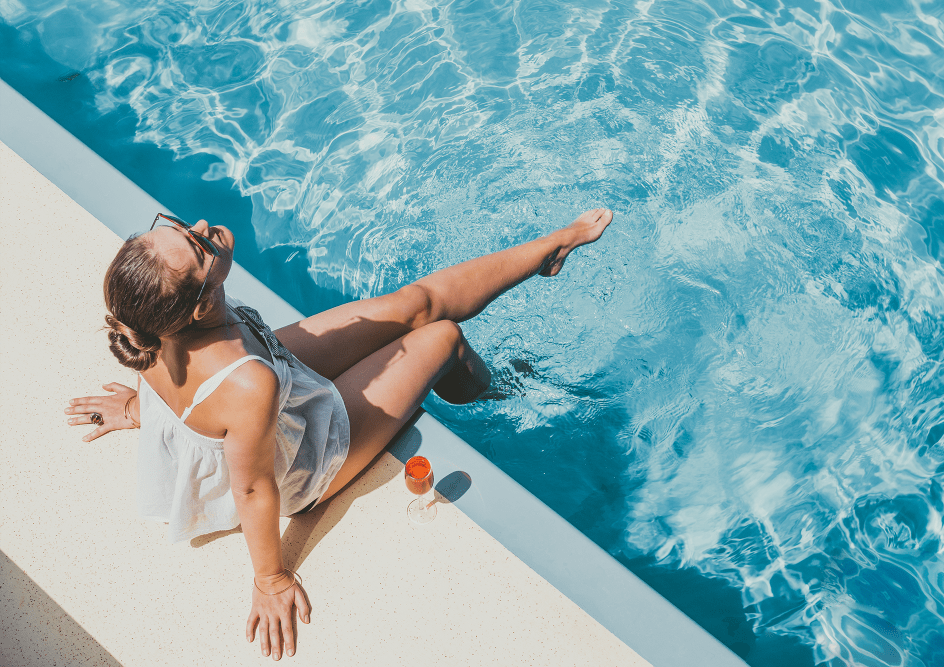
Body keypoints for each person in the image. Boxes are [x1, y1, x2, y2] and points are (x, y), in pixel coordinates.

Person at [65, 207, 614, 660]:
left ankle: (551, 248)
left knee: (414, 306)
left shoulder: (143, 316)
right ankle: (497, 398)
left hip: (274, 376)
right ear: (202, 302)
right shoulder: (245, 385)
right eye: (197, 246)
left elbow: (182, 392)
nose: (203, 228)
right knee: (442, 336)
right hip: (309, 455)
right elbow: (253, 489)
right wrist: (271, 580)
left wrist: (144, 409)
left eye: (179, 227)